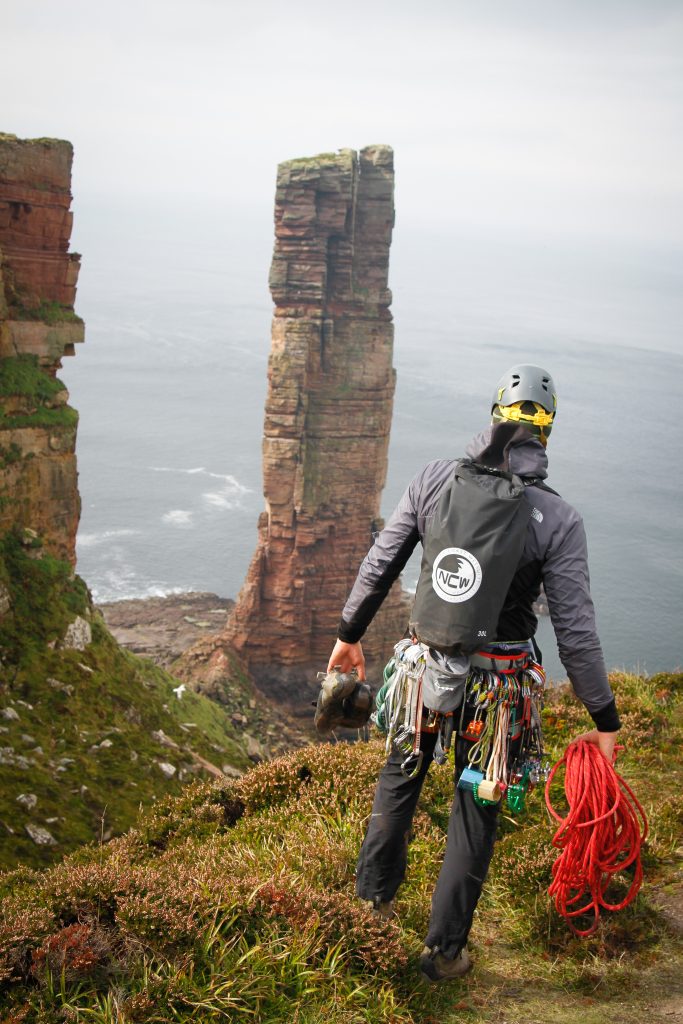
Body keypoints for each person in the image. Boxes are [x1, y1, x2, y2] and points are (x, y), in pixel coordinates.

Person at [326, 364, 621, 982]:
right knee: (475, 803)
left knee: (399, 780)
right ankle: (444, 954)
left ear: (493, 415)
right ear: (547, 433)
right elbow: (576, 632)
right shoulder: (558, 520)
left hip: (421, 673)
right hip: (500, 695)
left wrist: (349, 635)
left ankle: (369, 914)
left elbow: (382, 562)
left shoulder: (435, 479)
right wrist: (604, 718)